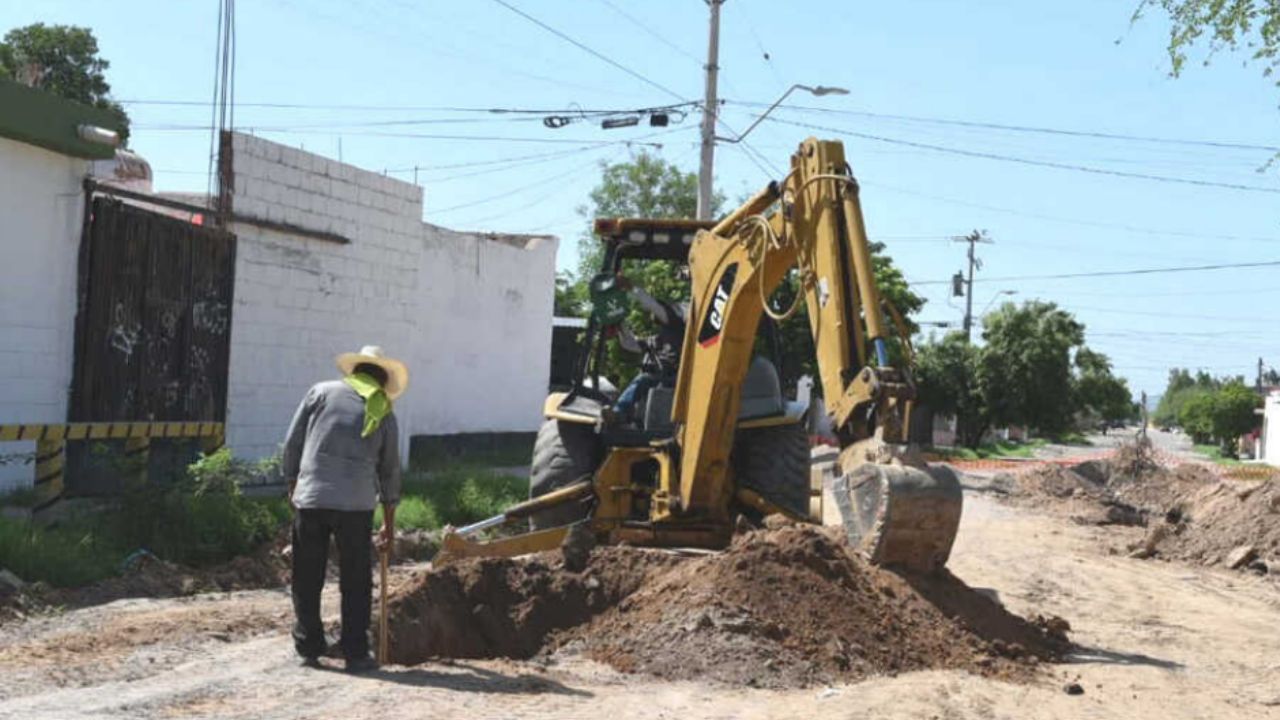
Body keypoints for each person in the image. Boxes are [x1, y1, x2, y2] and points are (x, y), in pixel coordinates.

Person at [282, 345, 407, 673]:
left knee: (307, 575)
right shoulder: (384, 410)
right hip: (355, 506)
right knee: (355, 579)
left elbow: (293, 443)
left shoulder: (320, 393)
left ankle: (309, 647)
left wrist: (293, 487)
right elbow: (390, 472)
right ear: (382, 381)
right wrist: (389, 526)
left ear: (355, 373)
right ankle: (355, 653)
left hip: (312, 499)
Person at [611, 276, 687, 420]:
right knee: (644, 380)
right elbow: (629, 344)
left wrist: (631, 288)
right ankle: (621, 415)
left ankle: (618, 412)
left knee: (643, 380)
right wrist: (619, 324)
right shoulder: (657, 340)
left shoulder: (676, 327)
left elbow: (653, 306)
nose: (653, 314)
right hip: (659, 377)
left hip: (672, 377)